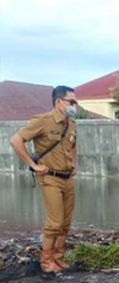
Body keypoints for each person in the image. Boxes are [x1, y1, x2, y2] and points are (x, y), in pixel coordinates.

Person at [9, 85, 78, 273]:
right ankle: (46, 260)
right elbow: (16, 140)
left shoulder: (71, 123)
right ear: (58, 102)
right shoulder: (43, 121)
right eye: (71, 101)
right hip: (49, 177)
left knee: (66, 222)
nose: (74, 105)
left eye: (75, 101)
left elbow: (73, 146)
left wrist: (74, 164)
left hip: (67, 177)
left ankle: (58, 256)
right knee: (54, 222)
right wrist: (33, 164)